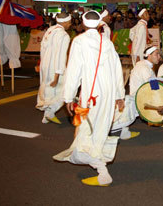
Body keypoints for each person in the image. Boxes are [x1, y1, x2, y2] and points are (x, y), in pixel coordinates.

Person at [53, 11, 125, 186]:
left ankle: (102, 172)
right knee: (99, 129)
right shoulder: (106, 42)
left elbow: (73, 71)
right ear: (100, 23)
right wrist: (119, 95)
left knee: (85, 132)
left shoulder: (79, 41)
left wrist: (68, 96)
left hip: (91, 96)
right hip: (108, 94)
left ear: (83, 24)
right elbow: (117, 69)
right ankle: (100, 160)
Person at [36, 12, 71, 124]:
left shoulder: (49, 31)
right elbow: (61, 56)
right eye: (69, 22)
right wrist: (57, 75)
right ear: (65, 22)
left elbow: (42, 49)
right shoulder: (64, 35)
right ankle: (49, 113)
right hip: (56, 68)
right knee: (65, 92)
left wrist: (41, 64)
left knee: (48, 91)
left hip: (45, 65)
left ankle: (46, 116)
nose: (70, 24)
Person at [125, 46, 161, 127]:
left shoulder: (146, 66)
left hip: (141, 95)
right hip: (138, 98)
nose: (159, 57)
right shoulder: (144, 68)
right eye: (156, 54)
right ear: (149, 55)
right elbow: (153, 86)